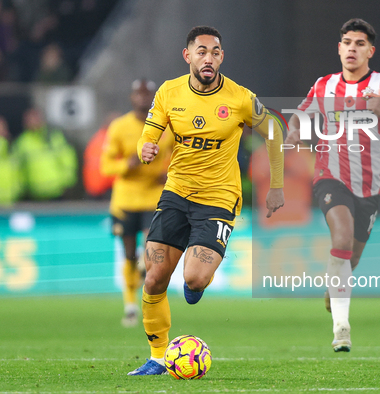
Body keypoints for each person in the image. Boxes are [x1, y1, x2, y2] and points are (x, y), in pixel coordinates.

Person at [128, 26, 285, 375]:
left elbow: (275, 129)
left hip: (219, 198)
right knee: (153, 278)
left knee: (194, 280)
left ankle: (198, 278)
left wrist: (276, 184)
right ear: (188, 56)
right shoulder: (169, 93)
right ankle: (157, 356)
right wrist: (146, 148)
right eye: (201, 51)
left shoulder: (240, 98)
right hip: (176, 194)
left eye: (215, 52)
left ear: (221, 57)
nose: (209, 58)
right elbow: (148, 135)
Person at [285, 18, 380, 352]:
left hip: (370, 187)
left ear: (370, 51)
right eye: (346, 42)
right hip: (330, 176)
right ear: (339, 48)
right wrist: (293, 131)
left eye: (359, 43)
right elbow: (300, 114)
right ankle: (342, 330)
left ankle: (333, 288)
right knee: (342, 237)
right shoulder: (325, 85)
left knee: (350, 257)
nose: (352, 48)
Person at [100, 79, 173, 327]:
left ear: (154, 98)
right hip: (125, 200)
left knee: (149, 251)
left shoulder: (167, 128)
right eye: (138, 94)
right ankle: (130, 306)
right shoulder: (119, 127)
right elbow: (105, 165)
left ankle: (144, 285)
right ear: (132, 98)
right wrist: (125, 165)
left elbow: (178, 155)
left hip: (153, 198)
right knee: (129, 255)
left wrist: (169, 172)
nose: (143, 98)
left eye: (147, 94)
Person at [12, 107, 78, 200]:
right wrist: (20, 188)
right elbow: (17, 168)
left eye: (35, 119)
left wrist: (67, 182)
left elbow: (67, 159)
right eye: (29, 120)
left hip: (56, 192)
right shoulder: (22, 142)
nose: (33, 122)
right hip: (33, 194)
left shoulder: (54, 137)